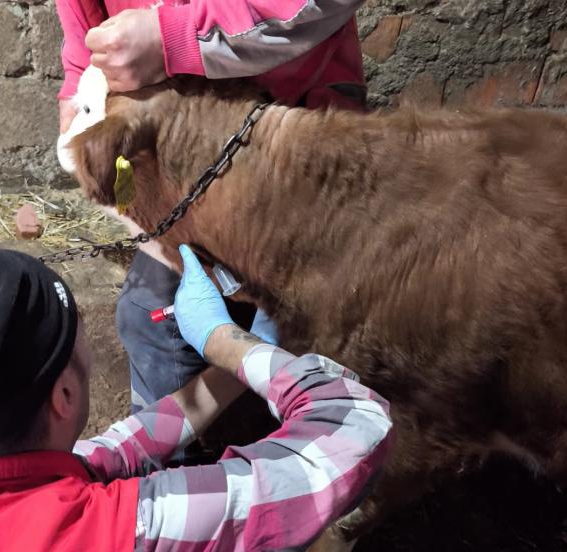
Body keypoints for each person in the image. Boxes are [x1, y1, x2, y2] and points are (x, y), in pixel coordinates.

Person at [0, 247, 392, 551]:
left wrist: (229, 373)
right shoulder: (119, 531)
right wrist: (231, 343)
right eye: (78, 332)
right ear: (64, 395)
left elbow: (108, 453)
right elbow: (357, 424)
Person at [54, 0, 370, 417]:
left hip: (296, 128)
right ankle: (172, 474)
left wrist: (175, 37)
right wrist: (82, 94)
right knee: (148, 318)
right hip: (175, 163)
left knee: (320, 324)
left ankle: (312, 437)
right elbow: (86, 47)